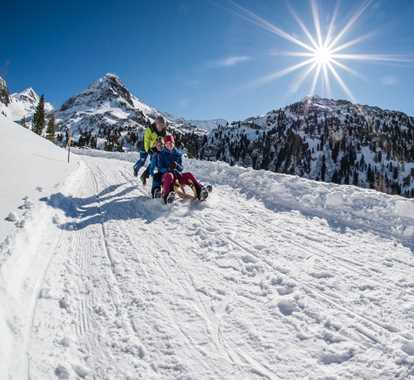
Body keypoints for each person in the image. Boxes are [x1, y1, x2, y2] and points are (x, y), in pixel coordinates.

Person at [155, 134, 209, 204]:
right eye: (167, 143)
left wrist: (177, 166)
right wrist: (168, 168)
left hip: (177, 176)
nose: (169, 145)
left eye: (171, 143)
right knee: (169, 175)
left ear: (173, 143)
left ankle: (200, 191)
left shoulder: (178, 154)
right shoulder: (161, 154)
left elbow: (181, 169)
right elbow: (160, 168)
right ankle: (167, 196)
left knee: (188, 174)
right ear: (165, 144)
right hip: (166, 177)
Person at [133, 115, 167, 185]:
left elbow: (163, 141)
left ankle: (144, 175)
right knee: (142, 161)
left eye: (162, 125)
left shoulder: (163, 132)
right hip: (145, 147)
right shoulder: (150, 129)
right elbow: (146, 141)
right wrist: (148, 150)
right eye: (159, 125)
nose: (160, 127)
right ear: (156, 124)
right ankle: (136, 168)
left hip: (154, 147)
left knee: (153, 162)